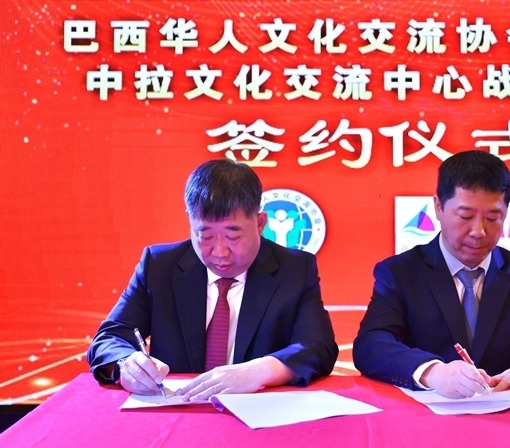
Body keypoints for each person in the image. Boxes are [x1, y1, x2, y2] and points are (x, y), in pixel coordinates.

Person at [87, 159, 338, 401]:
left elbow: (319, 346)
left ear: (260, 223)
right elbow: (109, 338)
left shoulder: (294, 270)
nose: (219, 252)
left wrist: (261, 371)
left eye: (233, 237)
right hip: (178, 413)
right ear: (189, 219)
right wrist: (126, 364)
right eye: (205, 236)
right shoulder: (159, 266)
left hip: (259, 416)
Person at [353, 150, 510, 400]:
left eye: (493, 218)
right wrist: (432, 372)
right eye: (465, 216)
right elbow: (371, 344)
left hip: (501, 413)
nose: (479, 231)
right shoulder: (400, 273)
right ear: (439, 206)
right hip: (421, 413)